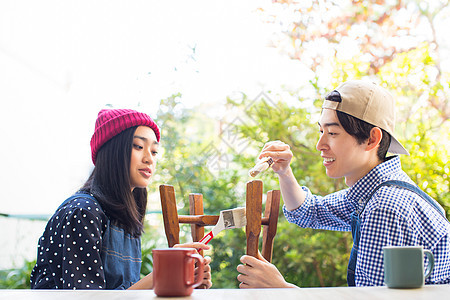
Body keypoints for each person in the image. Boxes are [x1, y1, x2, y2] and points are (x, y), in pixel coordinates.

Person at [237, 80, 450, 288]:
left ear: (371, 139)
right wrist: (284, 172)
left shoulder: (384, 207)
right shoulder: (372, 192)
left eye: (332, 133)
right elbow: (309, 211)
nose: (320, 145)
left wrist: (281, 290)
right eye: (321, 131)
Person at [30, 108, 212, 290]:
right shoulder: (83, 211)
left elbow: (128, 293)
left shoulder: (126, 215)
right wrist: (164, 270)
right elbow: (87, 299)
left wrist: (183, 279)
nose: (149, 159)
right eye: (139, 146)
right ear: (112, 150)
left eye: (154, 151)